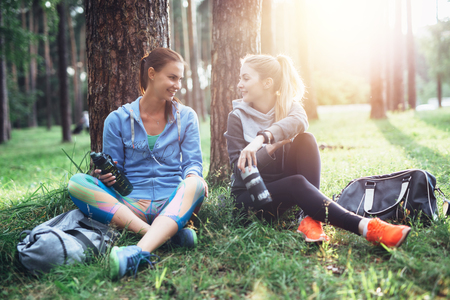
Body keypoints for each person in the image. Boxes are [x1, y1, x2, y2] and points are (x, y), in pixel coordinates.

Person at [224, 53, 410, 248]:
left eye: (246, 78)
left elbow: (300, 121)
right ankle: (368, 228)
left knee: (306, 140)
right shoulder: (237, 117)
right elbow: (238, 171)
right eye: (240, 78)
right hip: (251, 198)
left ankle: (311, 220)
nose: (239, 84)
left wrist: (262, 138)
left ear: (267, 83)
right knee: (295, 183)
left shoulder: (288, 108)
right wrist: (270, 148)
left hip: (284, 193)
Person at [68, 48, 208, 280]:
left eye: (180, 79)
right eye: (172, 77)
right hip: (131, 205)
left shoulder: (187, 117)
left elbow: (193, 163)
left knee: (196, 183)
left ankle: (138, 252)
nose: (178, 85)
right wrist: (107, 177)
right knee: (77, 183)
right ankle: (166, 236)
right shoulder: (116, 120)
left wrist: (194, 176)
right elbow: (117, 169)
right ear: (151, 73)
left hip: (172, 202)